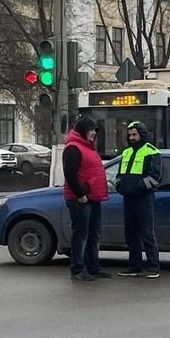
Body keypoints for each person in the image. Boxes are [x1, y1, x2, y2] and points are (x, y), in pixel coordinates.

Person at [62, 117, 110, 281]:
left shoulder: (88, 147)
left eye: (96, 131)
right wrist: (80, 195)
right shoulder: (73, 148)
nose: (94, 134)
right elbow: (70, 174)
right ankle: (77, 269)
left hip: (93, 197)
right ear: (83, 130)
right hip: (80, 199)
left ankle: (93, 268)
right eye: (92, 130)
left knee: (93, 234)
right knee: (81, 234)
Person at [116, 121, 162, 279]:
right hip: (128, 199)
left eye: (134, 134)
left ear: (142, 134)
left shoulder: (152, 152)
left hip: (144, 199)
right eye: (130, 135)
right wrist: (119, 185)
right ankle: (134, 266)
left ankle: (153, 267)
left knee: (147, 233)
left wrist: (138, 187)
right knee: (131, 234)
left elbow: (155, 177)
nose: (131, 137)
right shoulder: (126, 152)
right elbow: (119, 175)